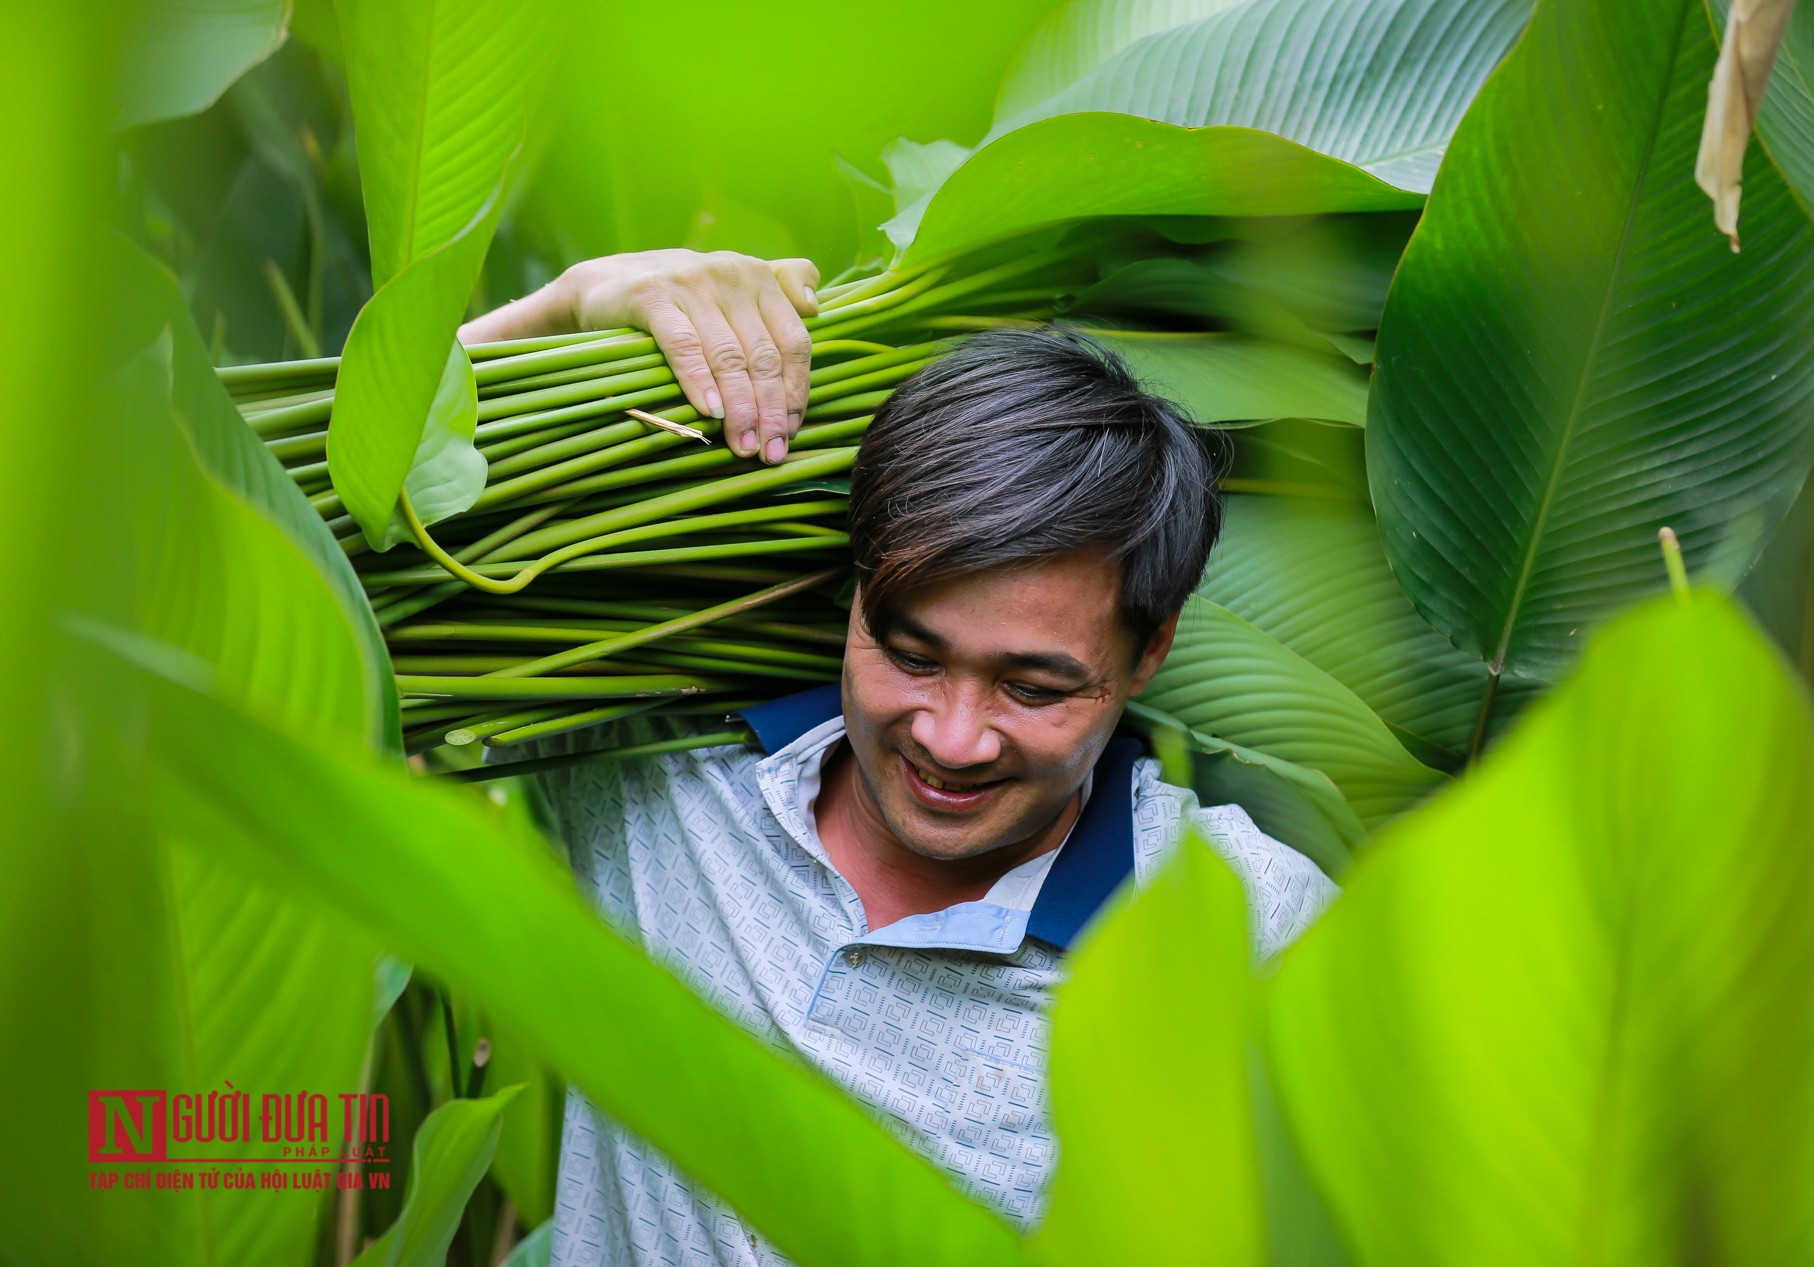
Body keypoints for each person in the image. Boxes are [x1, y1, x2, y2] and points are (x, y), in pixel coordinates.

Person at [467, 250, 1337, 1265]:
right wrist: (564, 303)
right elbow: (295, 534)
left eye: (1033, 687)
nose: (948, 737)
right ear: (856, 595)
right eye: (911, 655)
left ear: (1149, 649)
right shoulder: (664, 767)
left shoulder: (1244, 927)